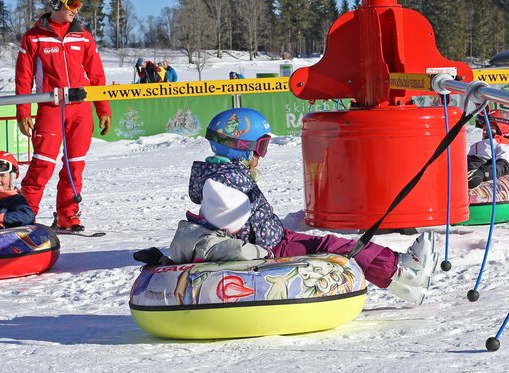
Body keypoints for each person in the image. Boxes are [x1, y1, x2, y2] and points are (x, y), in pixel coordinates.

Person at [170, 108, 437, 305]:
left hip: (276, 237)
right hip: (272, 248)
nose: (262, 155)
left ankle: (401, 279)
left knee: (330, 243)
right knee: (337, 246)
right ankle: (401, 271)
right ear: (242, 147)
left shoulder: (221, 174)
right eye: (261, 147)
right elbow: (231, 223)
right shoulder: (223, 183)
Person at [15, 0, 112, 232]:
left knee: (74, 164)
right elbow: (23, 77)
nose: (76, 10)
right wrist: (23, 110)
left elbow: (97, 76)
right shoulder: (34, 37)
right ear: (56, 2)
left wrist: (103, 109)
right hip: (50, 107)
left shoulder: (83, 36)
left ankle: (67, 215)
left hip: (80, 109)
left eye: (79, 4)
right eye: (72, 4)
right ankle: (25, 215)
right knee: (42, 164)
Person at [467, 109, 509, 189]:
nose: (484, 132)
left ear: (503, 128)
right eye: (484, 130)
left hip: (482, 176)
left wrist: (482, 173)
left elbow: (506, 164)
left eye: (488, 129)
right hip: (467, 172)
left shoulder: (507, 145)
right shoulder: (486, 143)